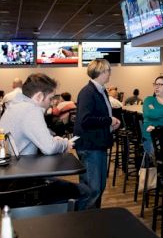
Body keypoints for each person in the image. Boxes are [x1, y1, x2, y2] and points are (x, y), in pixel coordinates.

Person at [74, 59, 121, 209]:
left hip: (97, 145)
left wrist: (110, 126)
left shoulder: (100, 91)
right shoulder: (88, 92)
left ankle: (92, 222)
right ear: (101, 72)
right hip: (90, 146)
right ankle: (85, 224)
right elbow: (85, 120)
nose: (110, 74)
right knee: (92, 190)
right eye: (108, 71)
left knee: (98, 188)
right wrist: (109, 120)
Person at [1, 74, 73, 155]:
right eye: (50, 98)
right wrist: (65, 144)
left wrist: (50, 140)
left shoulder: (14, 105)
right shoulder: (31, 110)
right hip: (21, 165)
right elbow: (49, 148)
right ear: (39, 96)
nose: (52, 103)